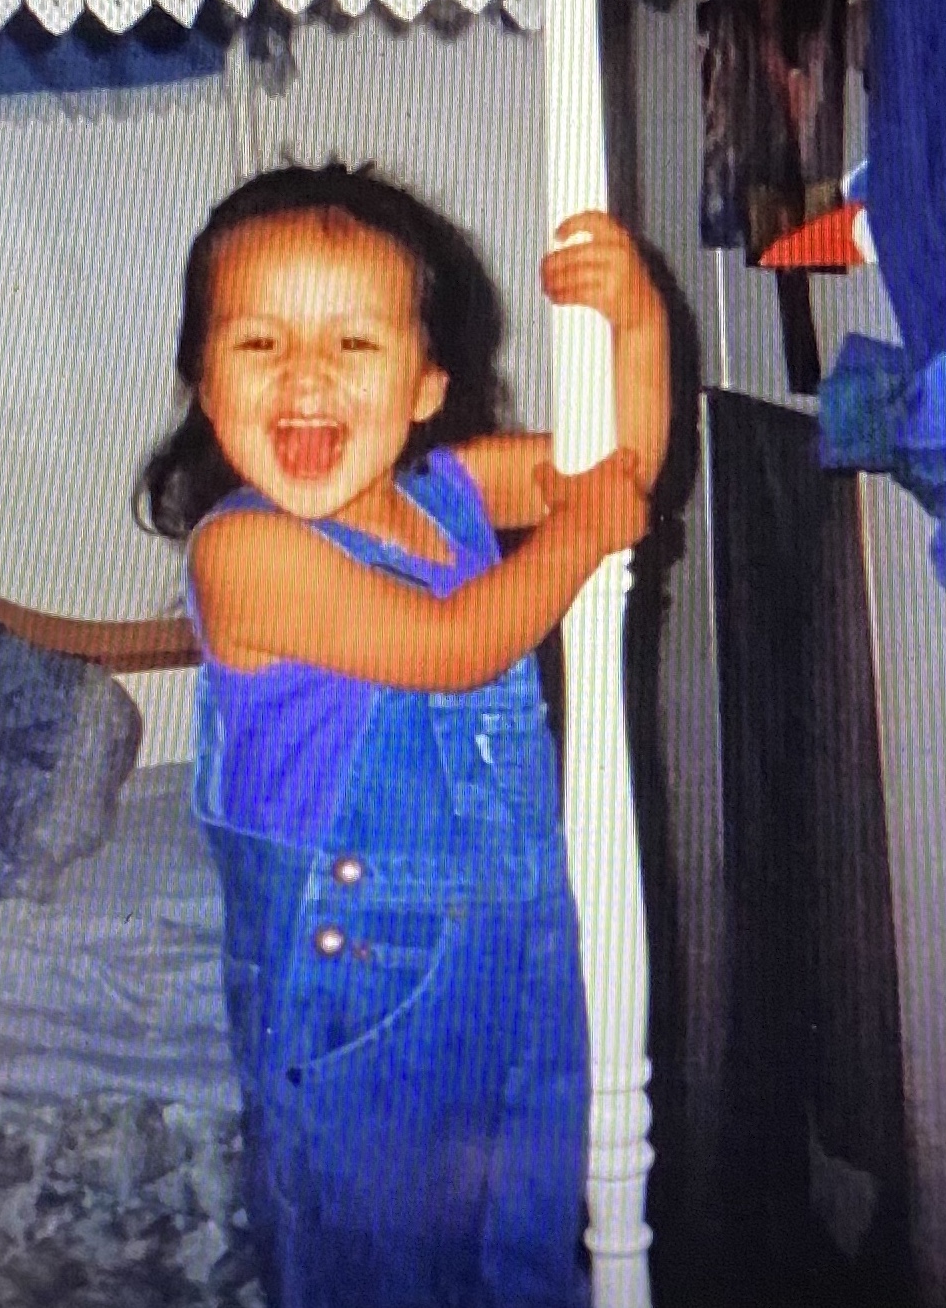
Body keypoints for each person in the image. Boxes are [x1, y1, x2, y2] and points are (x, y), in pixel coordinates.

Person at [137, 161, 669, 1308]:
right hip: (357, 997)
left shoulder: (450, 494)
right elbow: (454, 643)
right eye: (259, 342)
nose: (306, 374)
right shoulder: (244, 551)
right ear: (203, 380)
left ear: (426, 384)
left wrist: (637, 328)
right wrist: (576, 536)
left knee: (521, 1248)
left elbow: (614, 471)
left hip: (512, 949)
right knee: (376, 1267)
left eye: (354, 343)